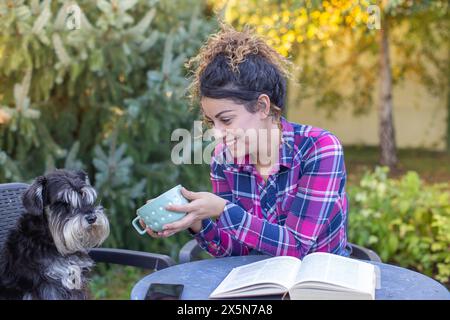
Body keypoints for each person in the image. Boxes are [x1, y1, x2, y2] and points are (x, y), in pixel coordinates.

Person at [142, 23, 349, 259]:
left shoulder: (320, 149)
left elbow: (298, 247)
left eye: (226, 119)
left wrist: (222, 209)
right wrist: (197, 222)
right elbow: (235, 251)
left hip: (319, 283)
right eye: (211, 122)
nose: (218, 134)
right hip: (260, 282)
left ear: (262, 106)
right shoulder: (223, 160)